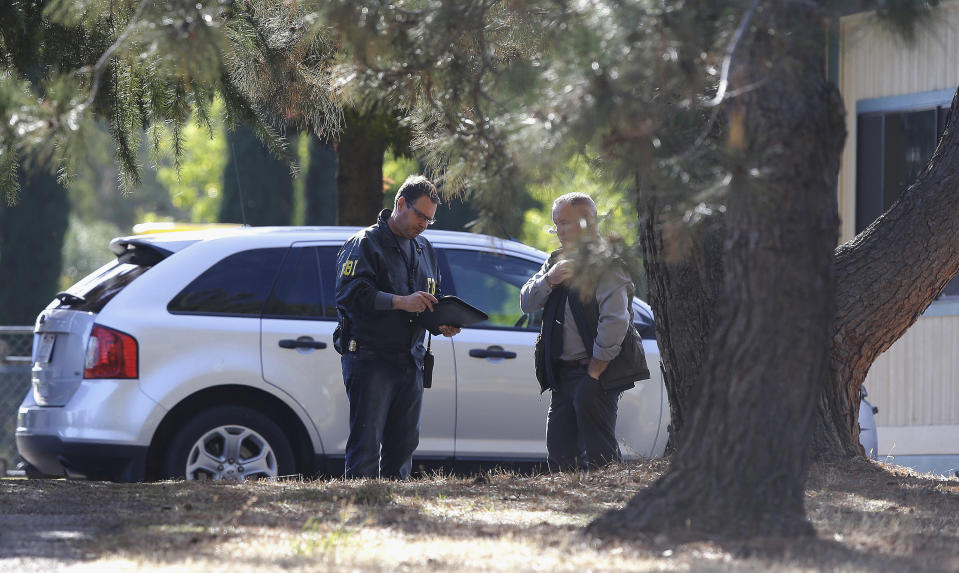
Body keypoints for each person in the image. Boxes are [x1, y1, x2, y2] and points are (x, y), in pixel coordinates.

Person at [334, 175, 460, 479]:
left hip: (410, 361)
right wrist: (400, 302)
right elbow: (350, 294)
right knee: (366, 447)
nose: (424, 224)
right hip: (371, 359)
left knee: (403, 446)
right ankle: (360, 512)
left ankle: (395, 518)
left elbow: (430, 296)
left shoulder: (424, 248)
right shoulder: (365, 243)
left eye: (430, 219)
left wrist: (440, 320)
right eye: (420, 215)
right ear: (400, 204)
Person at [520, 192, 650, 471]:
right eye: (557, 224)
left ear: (589, 223)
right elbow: (527, 302)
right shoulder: (555, 262)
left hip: (596, 374)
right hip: (563, 374)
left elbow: (615, 322)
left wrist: (594, 374)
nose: (559, 231)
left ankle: (611, 509)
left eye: (566, 223)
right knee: (560, 452)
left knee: (600, 456)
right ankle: (566, 509)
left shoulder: (608, 265)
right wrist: (550, 280)